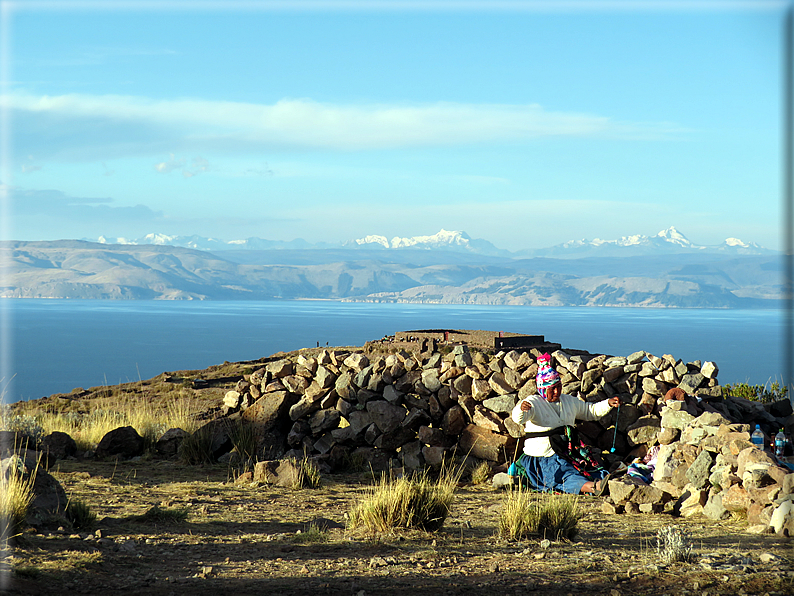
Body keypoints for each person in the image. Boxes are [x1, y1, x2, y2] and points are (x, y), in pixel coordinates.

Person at [508, 353, 620, 495]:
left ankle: (602, 483)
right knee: (562, 475)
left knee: (589, 468)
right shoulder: (533, 403)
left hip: (567, 453)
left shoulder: (568, 401)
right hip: (543, 458)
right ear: (542, 388)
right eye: (552, 388)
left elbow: (589, 411)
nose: (557, 391)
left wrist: (607, 404)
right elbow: (519, 418)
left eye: (558, 387)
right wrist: (521, 409)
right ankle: (594, 487)